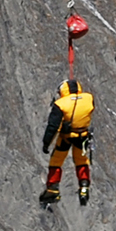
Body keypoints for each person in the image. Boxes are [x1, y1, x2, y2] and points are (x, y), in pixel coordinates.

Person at [39, 75, 95, 206]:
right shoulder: (89, 98)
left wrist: (46, 143)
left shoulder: (61, 104)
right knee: (82, 161)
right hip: (83, 136)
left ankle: (52, 189)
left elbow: (52, 127)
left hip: (66, 137)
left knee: (56, 161)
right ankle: (84, 187)